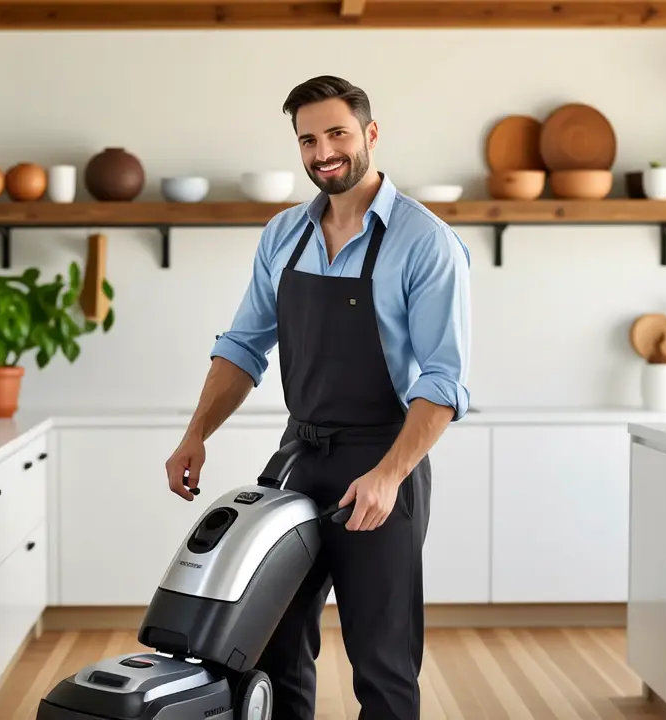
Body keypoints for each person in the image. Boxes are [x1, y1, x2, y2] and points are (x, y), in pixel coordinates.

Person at [164, 75, 471, 720]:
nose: (322, 151)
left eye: (336, 133)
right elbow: (244, 345)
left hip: (382, 462)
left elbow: (443, 380)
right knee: (269, 644)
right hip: (297, 457)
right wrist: (196, 434)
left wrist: (389, 476)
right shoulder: (283, 235)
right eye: (308, 139)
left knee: (382, 662)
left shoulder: (425, 241)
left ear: (371, 135)